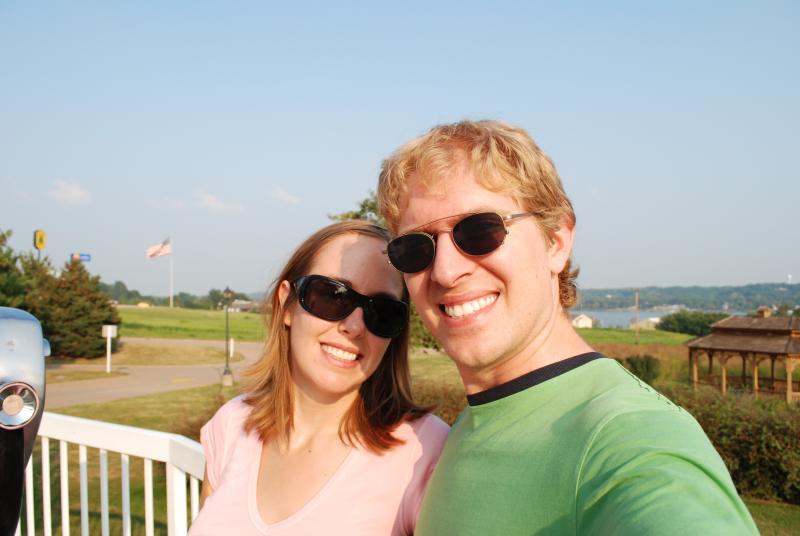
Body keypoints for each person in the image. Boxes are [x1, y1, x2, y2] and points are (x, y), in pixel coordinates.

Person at [376, 120, 758, 535]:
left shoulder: (630, 438)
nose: (446, 271)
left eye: (480, 232)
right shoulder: (469, 426)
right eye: (415, 248)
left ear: (555, 240)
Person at [190, 221, 448, 535]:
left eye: (381, 311)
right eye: (331, 296)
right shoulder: (232, 424)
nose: (354, 326)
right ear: (286, 305)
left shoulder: (424, 450)